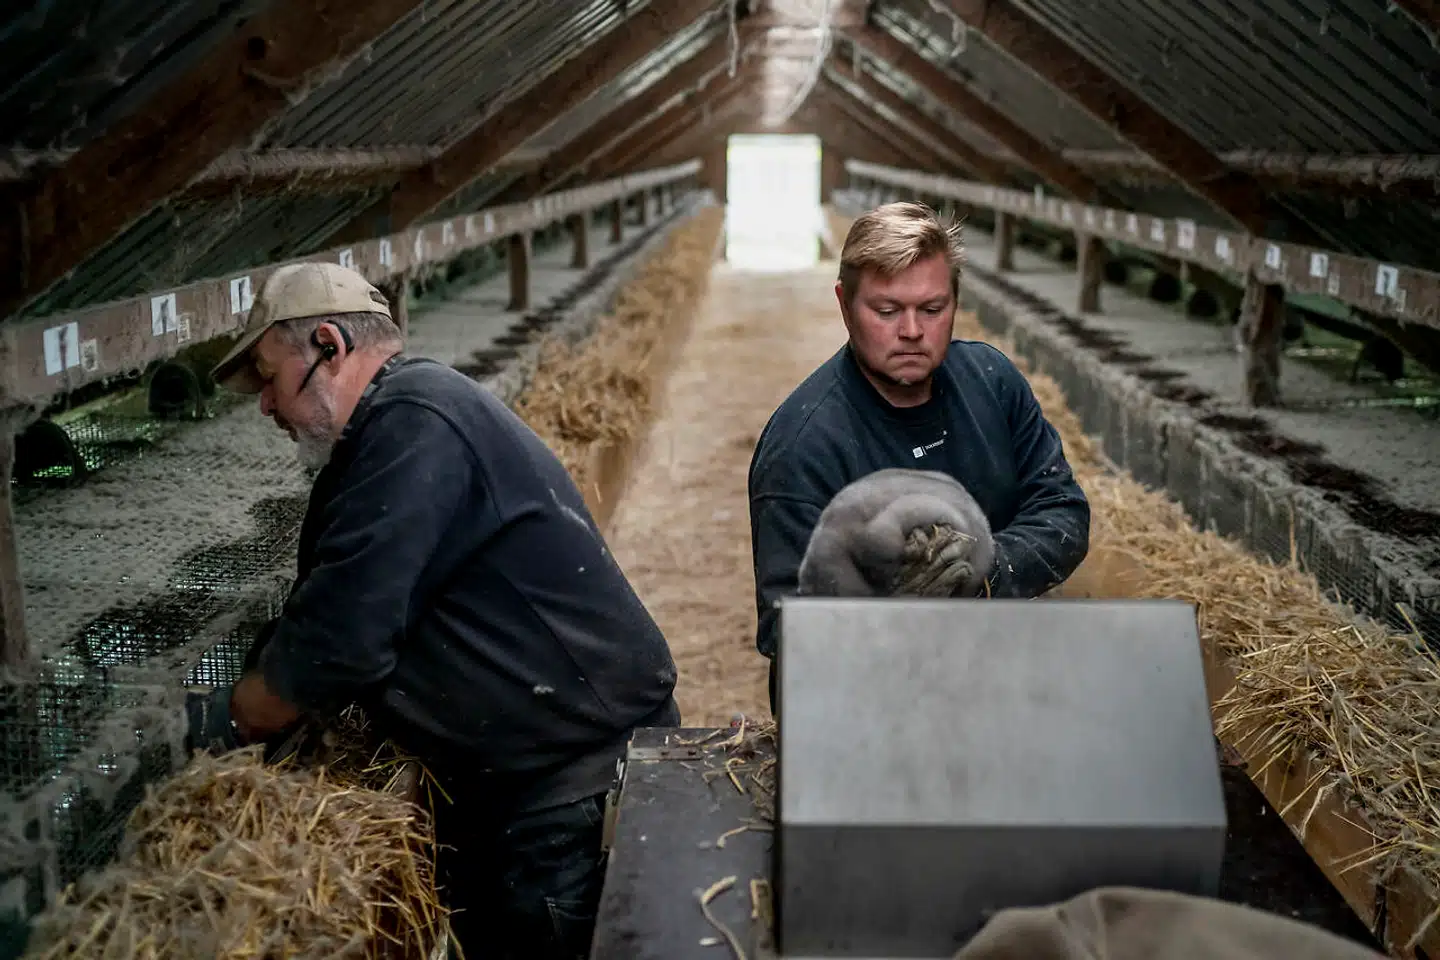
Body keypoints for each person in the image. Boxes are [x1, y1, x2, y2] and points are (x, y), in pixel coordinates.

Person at [186, 261, 682, 959]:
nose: (266, 407)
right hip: (531, 775)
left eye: (269, 378)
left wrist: (233, 720)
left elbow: (340, 639)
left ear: (329, 345)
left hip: (567, 792)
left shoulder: (413, 424)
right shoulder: (401, 424)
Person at [747, 201, 1091, 710]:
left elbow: (1063, 513)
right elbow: (787, 628)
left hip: (997, 668)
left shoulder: (994, 384)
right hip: (868, 703)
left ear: (955, 301)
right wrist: (895, 604)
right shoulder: (803, 445)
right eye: (886, 311)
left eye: (932, 309)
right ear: (844, 305)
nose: (911, 331)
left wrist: (984, 572)